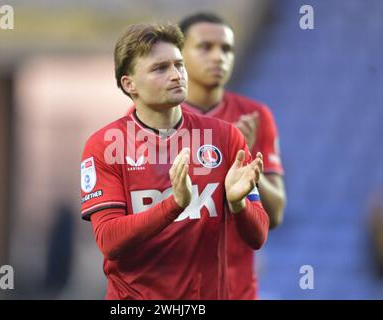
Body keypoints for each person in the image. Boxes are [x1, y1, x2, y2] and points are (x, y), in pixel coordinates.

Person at [80, 23, 269, 299]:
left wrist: (238, 204)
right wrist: (173, 205)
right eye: (160, 69)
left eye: (179, 65)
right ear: (129, 84)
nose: (176, 75)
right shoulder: (104, 145)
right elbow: (109, 241)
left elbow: (258, 235)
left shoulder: (225, 138)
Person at [178, 12, 287, 299]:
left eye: (226, 49)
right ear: (179, 55)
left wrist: (245, 157)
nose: (218, 57)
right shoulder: (148, 121)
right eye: (205, 47)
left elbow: (274, 215)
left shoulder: (255, 116)